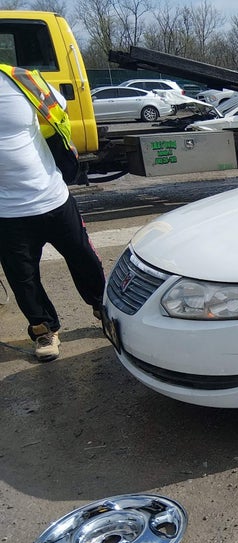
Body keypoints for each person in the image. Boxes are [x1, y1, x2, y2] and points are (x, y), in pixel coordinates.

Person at [0, 66, 105, 362]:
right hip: (7, 212)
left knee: (84, 258)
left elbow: (59, 106)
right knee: (23, 279)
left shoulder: (19, 80)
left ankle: (104, 308)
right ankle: (44, 329)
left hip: (52, 197)